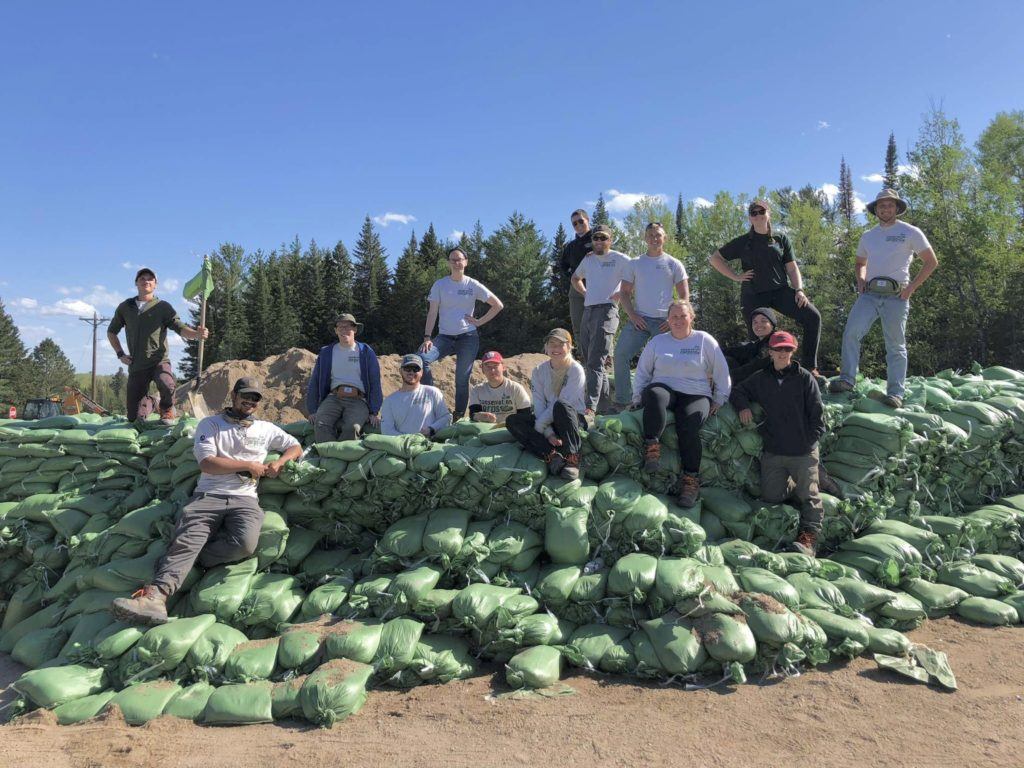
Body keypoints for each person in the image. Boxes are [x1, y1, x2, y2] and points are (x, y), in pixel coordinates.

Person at [110, 377, 302, 625]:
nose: (250, 401)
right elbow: (207, 463)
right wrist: (248, 465)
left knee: (245, 544)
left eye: (255, 398)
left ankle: (195, 559)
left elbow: (295, 446)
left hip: (245, 499)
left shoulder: (265, 429)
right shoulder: (211, 425)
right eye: (245, 395)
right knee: (188, 539)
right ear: (234, 396)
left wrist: (280, 462)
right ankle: (155, 597)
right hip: (209, 496)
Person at [830, 189, 938, 408]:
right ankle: (847, 380)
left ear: (897, 208)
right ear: (876, 210)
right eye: (881, 205)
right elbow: (860, 262)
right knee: (851, 333)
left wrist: (912, 288)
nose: (885, 209)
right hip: (869, 295)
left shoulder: (910, 232)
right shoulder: (868, 236)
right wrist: (860, 280)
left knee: (895, 345)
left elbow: (931, 262)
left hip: (897, 296)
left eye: (890, 205)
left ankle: (895, 393)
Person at [730, 331, 826, 556]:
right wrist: (743, 406)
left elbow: (818, 416)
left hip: (803, 450)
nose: (783, 353)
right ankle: (800, 483)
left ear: (793, 351)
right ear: (770, 352)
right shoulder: (761, 378)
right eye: (778, 349)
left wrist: (808, 443)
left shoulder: (804, 378)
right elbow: (738, 391)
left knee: (809, 496)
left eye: (787, 349)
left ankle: (809, 538)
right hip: (774, 451)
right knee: (771, 496)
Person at [631, 300, 731, 508]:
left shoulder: (704, 340)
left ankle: (690, 480)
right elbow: (642, 371)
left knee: (689, 425)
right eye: (674, 317)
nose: (678, 320)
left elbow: (721, 371)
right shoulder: (658, 342)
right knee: (654, 394)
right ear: (668, 320)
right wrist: (637, 398)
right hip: (665, 389)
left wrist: (720, 397)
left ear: (691, 317)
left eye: (683, 316)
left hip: (696, 393)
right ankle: (652, 447)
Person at [709, 199, 822, 375]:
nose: (758, 215)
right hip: (753, 295)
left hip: (780, 291)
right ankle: (756, 378)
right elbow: (715, 259)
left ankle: (809, 368)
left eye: (761, 211)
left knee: (812, 317)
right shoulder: (743, 242)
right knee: (757, 341)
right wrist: (736, 277)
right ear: (750, 218)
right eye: (753, 213)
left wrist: (799, 290)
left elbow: (792, 268)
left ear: (769, 214)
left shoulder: (780, 239)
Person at [106, 267, 209, 423]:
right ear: (136, 283)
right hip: (137, 364)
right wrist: (120, 354)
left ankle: (166, 408)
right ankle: (154, 402)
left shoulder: (163, 307)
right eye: (142, 278)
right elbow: (111, 332)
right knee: (134, 418)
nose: (146, 281)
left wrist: (196, 334)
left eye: (150, 279)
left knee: (167, 384)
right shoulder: (125, 307)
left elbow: (179, 327)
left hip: (159, 361)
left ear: (155, 284)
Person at [613, 222, 690, 409]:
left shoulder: (674, 264)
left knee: (666, 361)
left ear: (665, 238)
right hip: (639, 320)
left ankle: (663, 401)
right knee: (620, 354)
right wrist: (632, 316)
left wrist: (672, 320)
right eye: (650, 235)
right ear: (645, 238)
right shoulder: (635, 263)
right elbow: (624, 293)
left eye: (658, 235)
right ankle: (623, 401)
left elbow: (684, 296)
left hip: (665, 322)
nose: (654, 238)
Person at [420, 248, 504, 420]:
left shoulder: (472, 285)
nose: (456, 263)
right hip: (444, 337)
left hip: (468, 337)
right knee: (421, 360)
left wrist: (479, 322)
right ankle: (434, 405)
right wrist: (427, 337)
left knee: (461, 379)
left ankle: (458, 415)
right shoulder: (440, 285)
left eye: (459, 259)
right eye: (453, 260)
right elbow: (432, 312)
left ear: (466, 262)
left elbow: (498, 305)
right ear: (449, 263)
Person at [506, 328, 587, 480]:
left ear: (569, 346)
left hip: (571, 419)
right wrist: (549, 433)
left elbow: (565, 402)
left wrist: (540, 427)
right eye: (552, 344)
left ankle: (572, 457)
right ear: (546, 347)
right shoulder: (539, 371)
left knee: (561, 406)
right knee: (513, 420)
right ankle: (551, 455)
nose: (556, 348)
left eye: (561, 344)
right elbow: (539, 403)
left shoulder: (576, 370)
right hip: (547, 420)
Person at [571, 224, 631, 416]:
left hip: (607, 310)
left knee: (596, 360)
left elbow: (636, 275)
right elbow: (575, 278)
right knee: (589, 359)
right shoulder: (588, 259)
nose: (599, 241)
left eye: (603, 238)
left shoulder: (620, 258)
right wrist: (585, 293)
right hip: (588, 310)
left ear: (610, 240)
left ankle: (590, 407)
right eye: (596, 238)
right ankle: (604, 407)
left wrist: (620, 293)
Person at [306, 313, 383, 443]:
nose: (344, 330)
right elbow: (315, 380)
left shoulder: (365, 352)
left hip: (358, 400)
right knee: (320, 424)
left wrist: (374, 411)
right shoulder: (326, 352)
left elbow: (375, 381)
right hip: (334, 398)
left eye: (348, 327)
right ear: (335, 330)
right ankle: (329, 453)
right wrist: (313, 410)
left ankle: (344, 453)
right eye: (340, 327)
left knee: (352, 428)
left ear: (355, 329)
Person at [379, 354, 452, 437]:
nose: (411, 372)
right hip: (402, 444)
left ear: (421, 372)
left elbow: (446, 418)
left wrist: (431, 429)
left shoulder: (432, 392)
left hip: (429, 443)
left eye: (416, 369)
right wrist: (409, 440)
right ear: (400, 371)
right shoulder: (389, 401)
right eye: (407, 368)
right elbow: (386, 430)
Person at [558, 209, 594, 345]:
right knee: (578, 327)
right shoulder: (570, 246)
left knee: (601, 326)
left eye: (581, 221)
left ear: (587, 220)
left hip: (597, 288)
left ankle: (605, 357)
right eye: (574, 223)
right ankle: (584, 356)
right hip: (576, 290)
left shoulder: (598, 240)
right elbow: (562, 266)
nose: (578, 225)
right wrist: (573, 278)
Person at [468, 351, 531, 425]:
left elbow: (525, 414)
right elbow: (473, 414)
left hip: (511, 428)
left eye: (495, 366)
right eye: (488, 367)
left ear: (503, 367)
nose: (492, 370)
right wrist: (479, 416)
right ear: (482, 370)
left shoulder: (515, 388)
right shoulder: (477, 390)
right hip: (486, 428)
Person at [723, 306, 777, 383]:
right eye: (755, 322)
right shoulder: (758, 344)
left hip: (770, 385)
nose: (758, 325)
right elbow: (738, 351)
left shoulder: (775, 342)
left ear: (772, 325)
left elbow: (755, 367)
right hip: (756, 383)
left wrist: (724, 376)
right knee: (728, 359)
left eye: (763, 321)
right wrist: (714, 350)